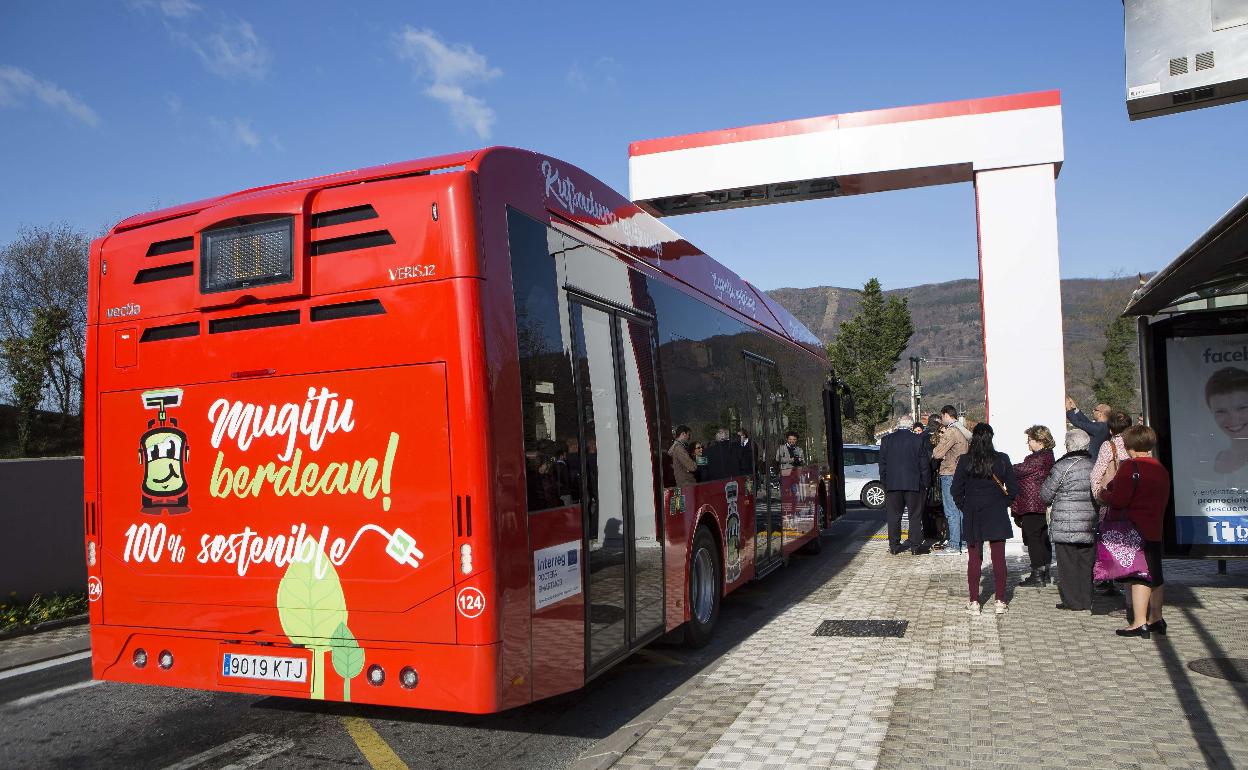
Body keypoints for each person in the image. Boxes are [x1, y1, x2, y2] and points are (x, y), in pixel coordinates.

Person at [1102, 425, 1171, 638]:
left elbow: (1119, 500)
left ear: (1128, 445)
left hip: (1134, 528)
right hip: (1155, 526)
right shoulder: (1160, 468)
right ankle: (1156, 618)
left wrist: (1103, 494)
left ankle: (1139, 622)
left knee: (1139, 574)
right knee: (1156, 574)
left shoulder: (1130, 467)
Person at [952, 423, 1019, 615]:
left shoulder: (965, 460)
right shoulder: (1003, 459)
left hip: (973, 512)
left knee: (974, 559)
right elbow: (1013, 489)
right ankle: (1000, 600)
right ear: (991, 437)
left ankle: (974, 602)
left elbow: (955, 489)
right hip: (996, 512)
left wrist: (964, 505)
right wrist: (1003, 502)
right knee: (999, 558)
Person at [1042, 429, 1097, 611]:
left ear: (1068, 446)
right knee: (1086, 563)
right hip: (1089, 522)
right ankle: (1086, 599)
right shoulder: (1094, 465)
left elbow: (1046, 495)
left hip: (1065, 524)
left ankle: (1073, 601)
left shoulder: (1061, 466)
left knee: (1067, 564)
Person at [879, 414, 931, 555]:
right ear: (911, 426)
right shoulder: (918, 440)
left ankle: (894, 546)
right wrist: (926, 483)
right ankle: (915, 546)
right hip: (914, 484)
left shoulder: (886, 440)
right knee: (914, 516)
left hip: (893, 484)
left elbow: (882, 465)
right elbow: (924, 466)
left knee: (894, 516)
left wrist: (885, 482)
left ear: (898, 424)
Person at [1014, 425, 1056, 587]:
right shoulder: (1045, 456)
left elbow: (1019, 470)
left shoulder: (1040, 458)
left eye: (1030, 440)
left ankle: (1037, 574)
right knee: (1041, 537)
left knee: (1034, 538)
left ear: (1040, 441)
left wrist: (1002, 466)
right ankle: (1044, 572)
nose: (1028, 443)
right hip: (1038, 502)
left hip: (1033, 503)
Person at [932, 404, 970, 555]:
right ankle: (964, 541)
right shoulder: (963, 430)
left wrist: (935, 448)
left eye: (942, 417)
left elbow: (937, 453)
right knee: (960, 509)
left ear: (947, 415)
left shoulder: (951, 431)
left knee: (951, 509)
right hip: (961, 473)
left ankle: (954, 544)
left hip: (949, 472)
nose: (942, 420)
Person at [1205, 366, 1248, 473]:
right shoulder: (1210, 460)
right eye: (1221, 411)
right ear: (1211, 412)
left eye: (1242, 408)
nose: (1233, 418)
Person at [1091, 410, 1133, 502]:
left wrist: (1099, 495)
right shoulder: (1135, 443)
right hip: (1133, 497)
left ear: (1110, 430)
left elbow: (1096, 475)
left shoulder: (1108, 446)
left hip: (1113, 497)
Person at [1065, 396, 1111, 462]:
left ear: (1100, 414)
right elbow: (1087, 423)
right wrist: (1075, 409)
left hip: (1092, 462)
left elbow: (1077, 422)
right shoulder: (1104, 426)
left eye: (1095, 410)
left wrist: (1069, 409)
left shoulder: (1099, 427)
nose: (1093, 411)